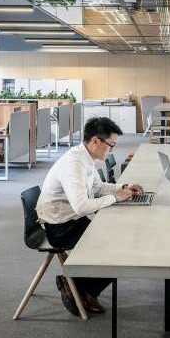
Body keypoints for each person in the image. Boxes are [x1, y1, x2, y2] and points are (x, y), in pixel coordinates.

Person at [37, 117, 145, 316]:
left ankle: (78, 286)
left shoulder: (85, 157)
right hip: (60, 228)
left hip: (71, 219)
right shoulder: (74, 163)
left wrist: (124, 187)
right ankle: (80, 289)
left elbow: (98, 187)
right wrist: (115, 197)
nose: (112, 150)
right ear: (95, 140)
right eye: (111, 145)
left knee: (122, 237)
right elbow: (81, 207)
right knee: (119, 245)